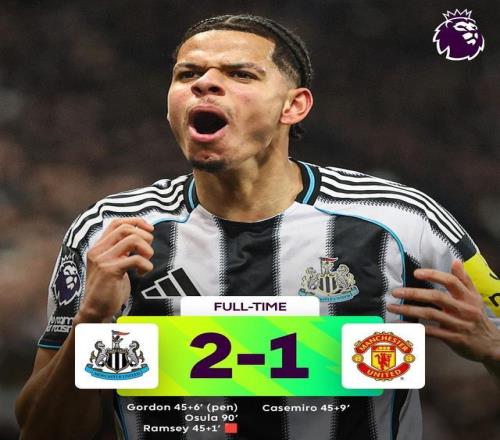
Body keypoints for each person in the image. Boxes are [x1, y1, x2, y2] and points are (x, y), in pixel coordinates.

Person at [15, 14, 500, 440]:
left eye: (240, 73)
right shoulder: (110, 231)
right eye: (188, 74)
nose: (205, 83)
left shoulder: (402, 222)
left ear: (294, 106)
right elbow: (43, 431)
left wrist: (492, 344)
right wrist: (92, 321)